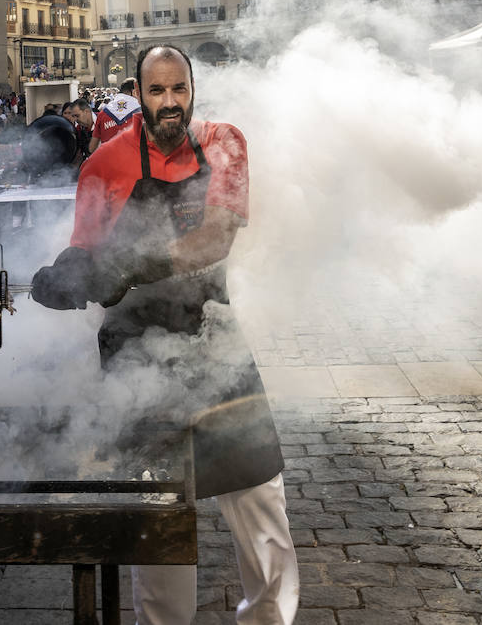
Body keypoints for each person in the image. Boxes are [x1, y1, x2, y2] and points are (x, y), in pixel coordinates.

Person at [31, 45, 298, 625]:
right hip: (134, 354)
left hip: (214, 338)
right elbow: (90, 253)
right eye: (157, 91)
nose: (170, 102)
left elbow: (216, 238)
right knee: (157, 515)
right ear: (139, 92)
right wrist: (67, 274)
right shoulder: (103, 164)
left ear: (192, 89)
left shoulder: (224, 142)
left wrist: (134, 266)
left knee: (259, 498)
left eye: (179, 89)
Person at [89, 80, 142, 155]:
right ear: (134, 92)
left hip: (109, 162)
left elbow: (92, 148)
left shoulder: (103, 113)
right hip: (135, 162)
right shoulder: (142, 112)